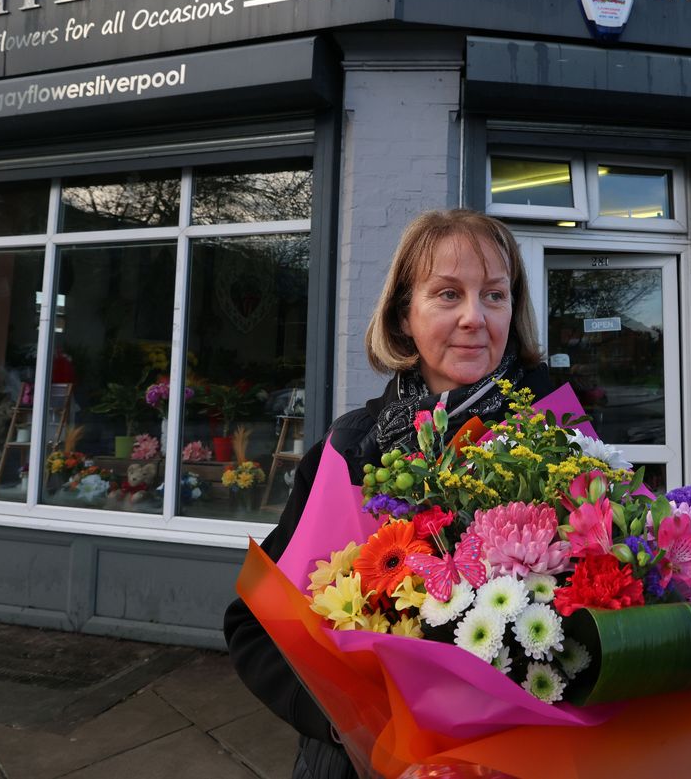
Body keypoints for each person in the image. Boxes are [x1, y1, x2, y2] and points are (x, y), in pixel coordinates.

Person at [223, 209, 553, 779]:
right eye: (448, 294)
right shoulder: (350, 448)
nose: (474, 317)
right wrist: (347, 721)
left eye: (494, 295)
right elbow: (254, 626)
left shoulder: (558, 442)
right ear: (404, 316)